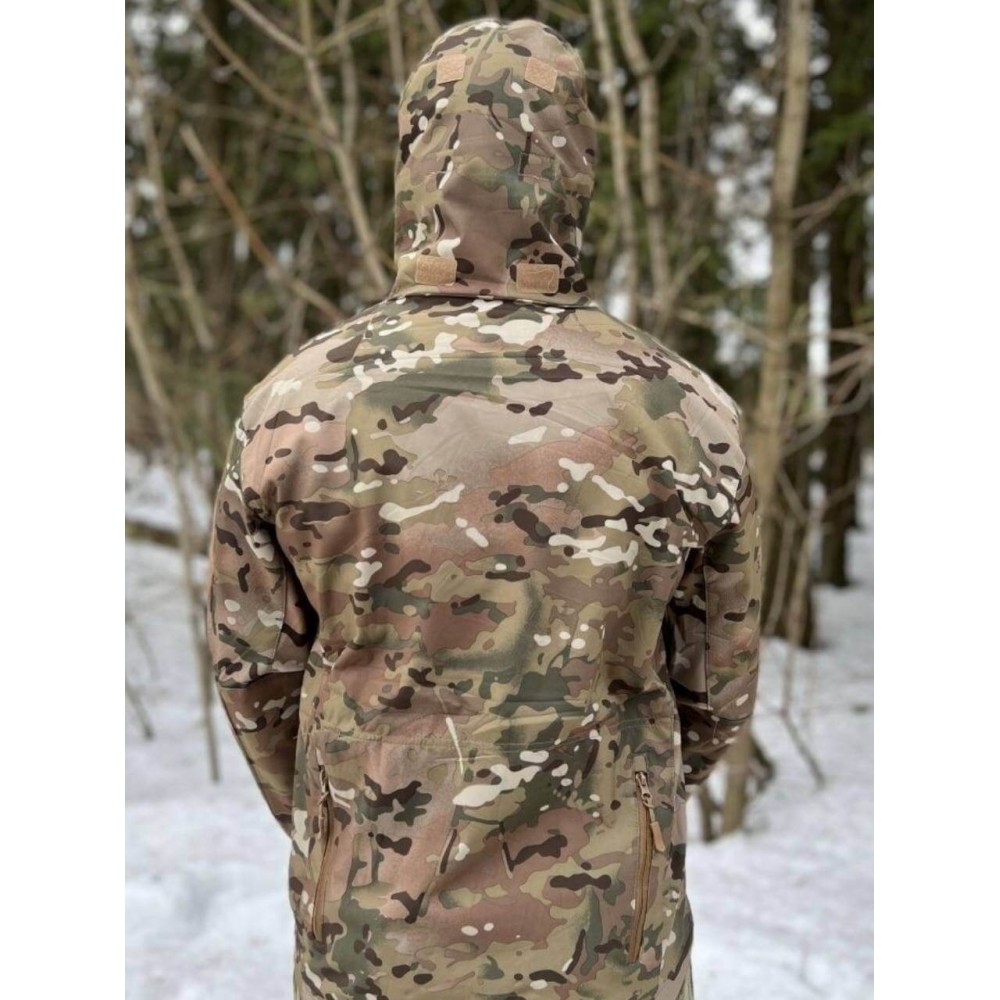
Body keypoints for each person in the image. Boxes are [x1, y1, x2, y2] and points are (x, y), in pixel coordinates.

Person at [205, 16, 762, 1000]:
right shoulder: (679, 408)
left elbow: (256, 682)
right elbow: (714, 690)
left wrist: (347, 817)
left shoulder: (294, 405)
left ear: (413, 161)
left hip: (372, 937)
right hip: (603, 941)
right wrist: (624, 799)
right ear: (573, 166)